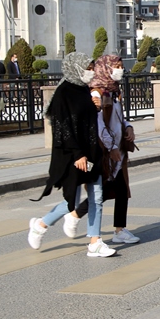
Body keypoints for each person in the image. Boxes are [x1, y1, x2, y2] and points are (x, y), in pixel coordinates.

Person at [28, 52, 116, 257]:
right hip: (73, 156)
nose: (91, 71)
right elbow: (63, 128)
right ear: (75, 68)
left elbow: (85, 121)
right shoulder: (63, 93)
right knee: (72, 202)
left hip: (91, 154)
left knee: (97, 196)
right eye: (88, 67)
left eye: (92, 67)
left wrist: (95, 108)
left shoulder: (84, 90)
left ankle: (95, 242)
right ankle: (40, 225)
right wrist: (78, 155)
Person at [65, 55, 140, 244]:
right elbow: (97, 125)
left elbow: (119, 118)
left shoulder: (114, 91)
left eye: (121, 66)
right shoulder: (97, 93)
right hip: (104, 151)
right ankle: (74, 215)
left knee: (121, 190)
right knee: (103, 190)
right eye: (116, 66)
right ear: (105, 68)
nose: (120, 70)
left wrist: (128, 127)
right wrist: (112, 147)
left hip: (118, 148)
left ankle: (119, 230)